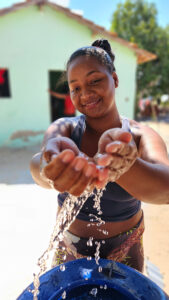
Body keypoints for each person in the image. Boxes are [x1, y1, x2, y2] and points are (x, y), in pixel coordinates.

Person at [30, 39, 169, 273]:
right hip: (69, 244)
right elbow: (39, 168)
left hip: (125, 246)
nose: (85, 93)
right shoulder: (64, 130)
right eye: (75, 88)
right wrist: (49, 166)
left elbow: (165, 189)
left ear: (114, 79)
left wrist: (126, 166)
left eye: (95, 80)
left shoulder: (139, 136)